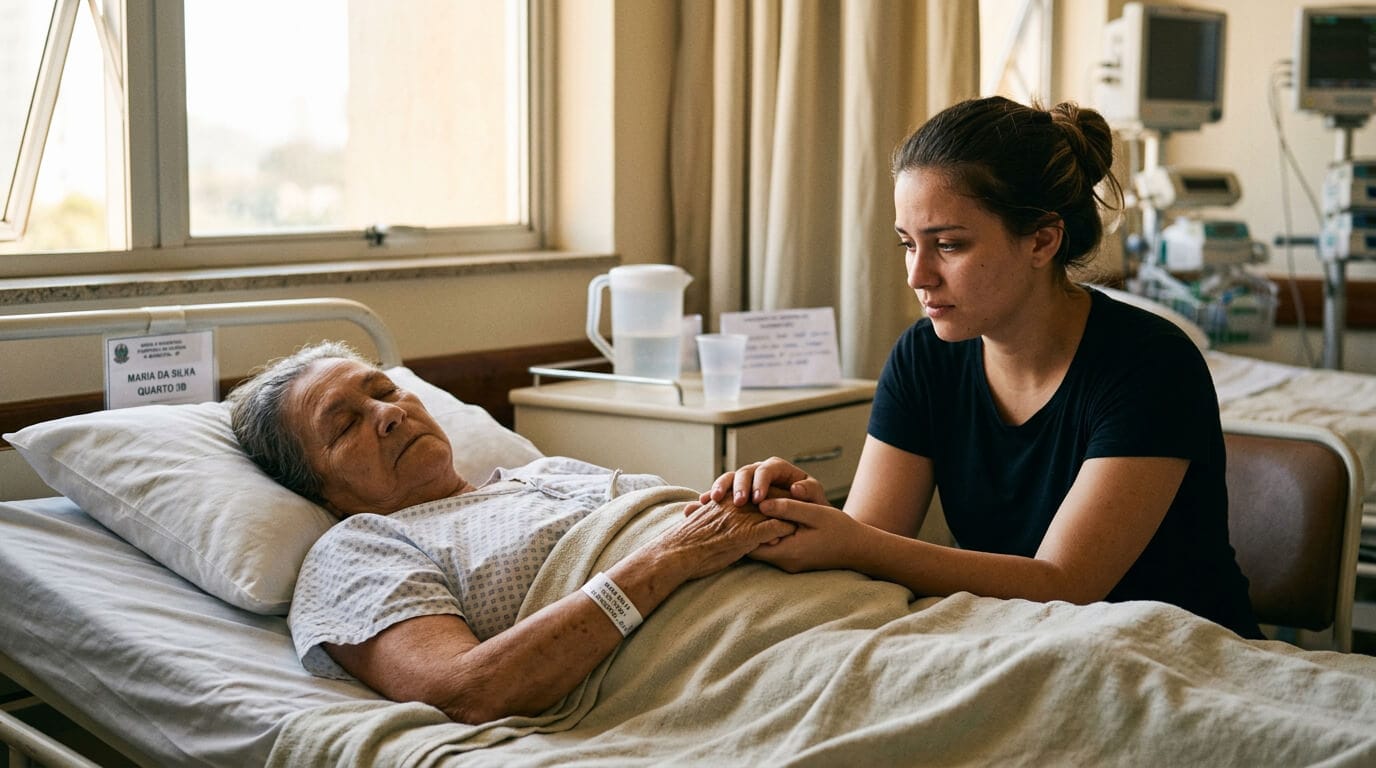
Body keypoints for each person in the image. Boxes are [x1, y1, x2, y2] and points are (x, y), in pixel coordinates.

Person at [698, 95, 1262, 639]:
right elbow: (870, 543)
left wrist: (849, 540)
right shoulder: (924, 358)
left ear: (1042, 240)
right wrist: (804, 515)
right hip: (1022, 644)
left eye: (947, 245)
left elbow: (1067, 585)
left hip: (1180, 655)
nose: (918, 276)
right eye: (906, 245)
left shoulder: (1150, 366)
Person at [227, 341, 795, 724]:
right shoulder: (360, 549)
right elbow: (467, 690)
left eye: (384, 391)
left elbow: (706, 532)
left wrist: (783, 512)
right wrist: (670, 556)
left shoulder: (547, 472)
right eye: (347, 423)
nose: (388, 413)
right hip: (742, 668)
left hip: (808, 603)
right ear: (316, 486)